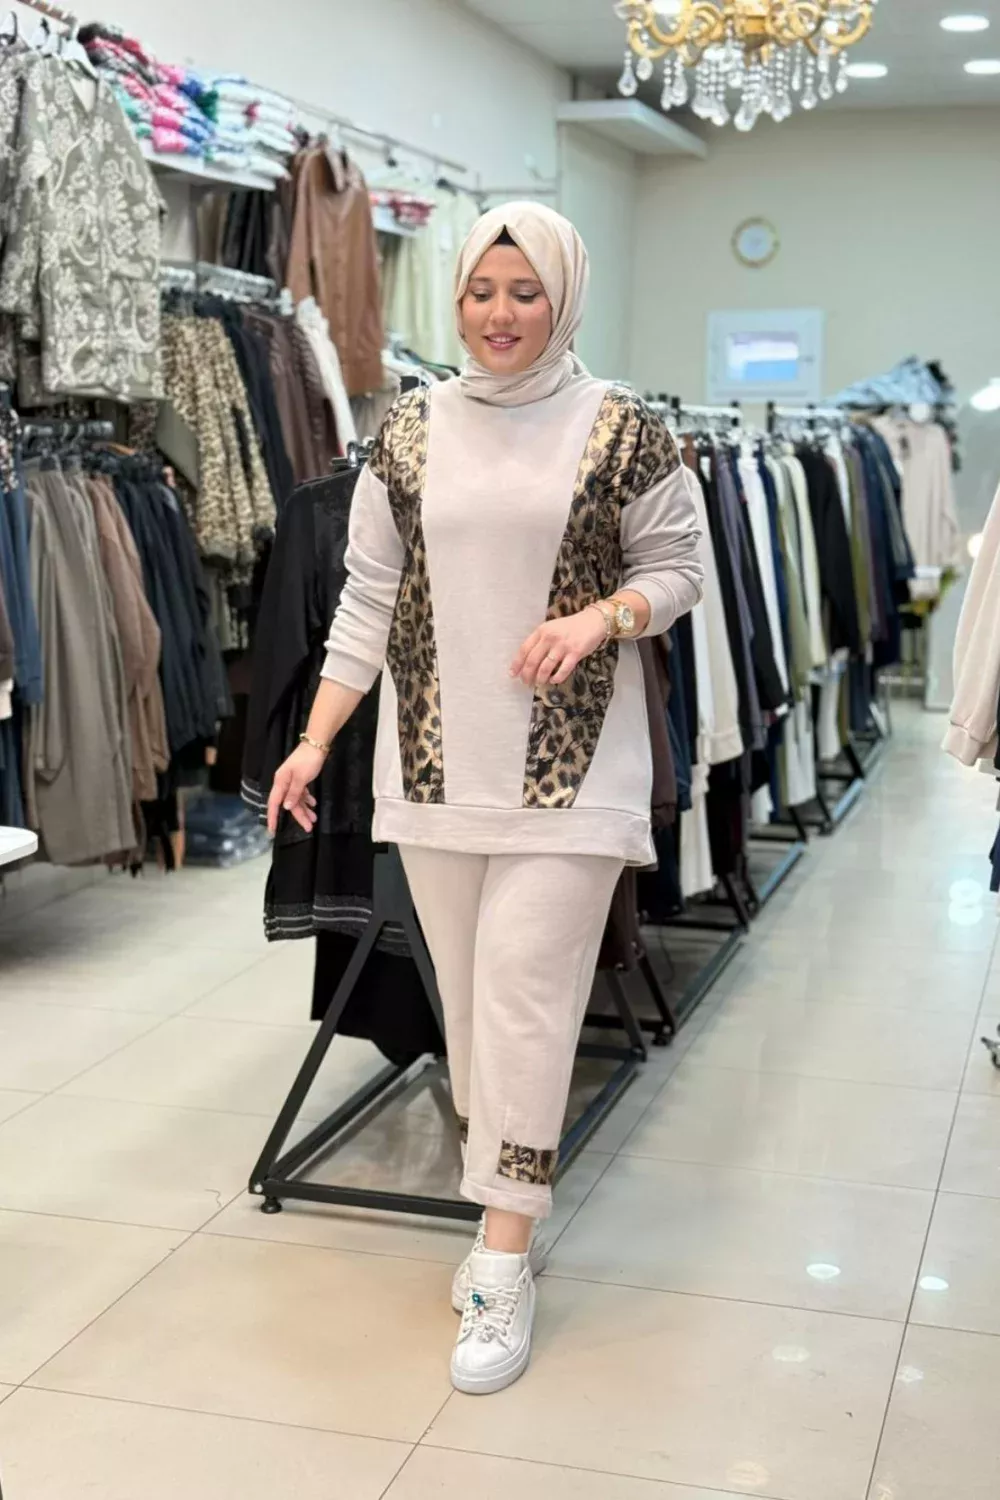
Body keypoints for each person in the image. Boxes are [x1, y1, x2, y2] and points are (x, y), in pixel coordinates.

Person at [267, 202, 703, 1396]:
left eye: (524, 291)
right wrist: (313, 742)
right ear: (455, 298)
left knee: (522, 1000)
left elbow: (679, 570)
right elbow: (367, 598)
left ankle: (502, 1258)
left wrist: (600, 616)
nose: (499, 314)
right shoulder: (408, 431)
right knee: (467, 1013)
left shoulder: (623, 430)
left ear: (564, 297)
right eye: (480, 292)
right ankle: (503, 1201)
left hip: (575, 771)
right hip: (434, 770)